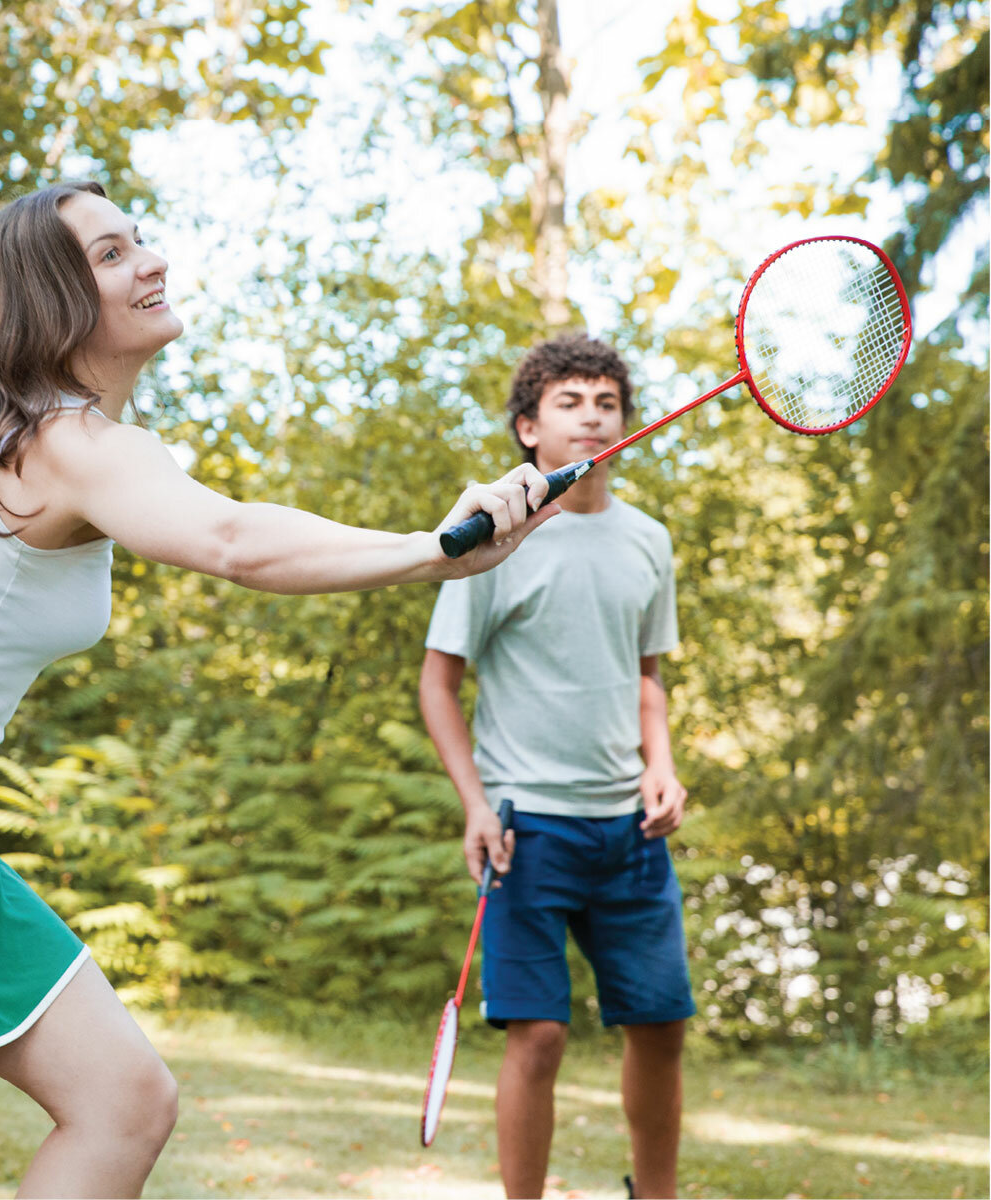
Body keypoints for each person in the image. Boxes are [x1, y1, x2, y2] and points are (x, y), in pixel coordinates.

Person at [0, 180, 557, 1199]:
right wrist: (428, 553)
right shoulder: (40, 447)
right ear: (47, 301)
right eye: (111, 255)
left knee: (126, 1102)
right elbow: (232, 540)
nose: (150, 260)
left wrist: (430, 550)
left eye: (138, 241)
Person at [419, 334, 695, 1200]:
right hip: (524, 828)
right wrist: (474, 804)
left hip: (631, 832)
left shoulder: (648, 541)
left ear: (625, 423)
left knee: (660, 1028)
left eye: (607, 402)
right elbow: (438, 684)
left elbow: (647, 676)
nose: (592, 416)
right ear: (528, 428)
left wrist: (663, 764)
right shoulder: (495, 542)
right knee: (536, 1035)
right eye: (570, 403)